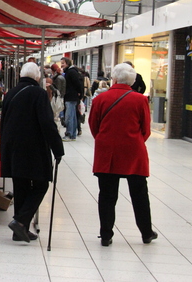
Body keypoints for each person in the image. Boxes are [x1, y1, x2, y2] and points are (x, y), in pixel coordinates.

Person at [89, 63, 156, 247]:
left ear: (114, 79)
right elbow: (146, 130)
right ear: (132, 80)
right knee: (140, 194)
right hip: (134, 153)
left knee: (107, 195)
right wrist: (134, 141)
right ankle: (146, 232)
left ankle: (105, 234)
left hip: (107, 153)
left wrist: (105, 140)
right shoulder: (140, 100)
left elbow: (94, 126)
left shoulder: (100, 99)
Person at [0, 62, 64, 242]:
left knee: (20, 187)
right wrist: (57, 149)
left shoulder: (10, 93)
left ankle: (19, 230)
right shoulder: (39, 94)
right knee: (41, 185)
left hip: (13, 148)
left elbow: (3, 122)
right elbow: (46, 123)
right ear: (37, 77)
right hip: (33, 149)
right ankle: (20, 222)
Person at [60, 57, 83, 141]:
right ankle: (72, 134)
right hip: (72, 97)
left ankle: (69, 134)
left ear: (67, 63)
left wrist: (80, 94)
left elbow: (78, 84)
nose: (62, 65)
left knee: (69, 116)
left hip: (71, 97)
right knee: (72, 116)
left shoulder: (71, 72)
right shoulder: (71, 72)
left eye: (63, 63)